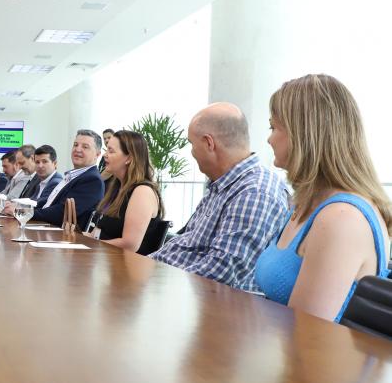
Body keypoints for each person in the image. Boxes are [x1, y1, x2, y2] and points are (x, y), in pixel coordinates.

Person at [254, 74, 391, 322]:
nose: (269, 138)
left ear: (303, 134)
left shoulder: (341, 219)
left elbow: (304, 338)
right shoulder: (306, 205)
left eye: (274, 127)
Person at [151, 103, 288, 292]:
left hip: (204, 305)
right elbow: (188, 245)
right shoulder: (224, 184)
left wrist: (152, 282)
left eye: (192, 144)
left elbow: (219, 274)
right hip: (174, 287)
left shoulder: (254, 192)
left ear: (209, 143)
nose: (192, 153)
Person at [91, 131, 167, 255]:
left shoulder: (142, 192)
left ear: (129, 158)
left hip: (127, 268)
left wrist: (89, 243)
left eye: (111, 151)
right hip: (107, 262)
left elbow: (130, 244)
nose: (105, 155)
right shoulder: (117, 188)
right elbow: (98, 234)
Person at [31, 130, 105, 229]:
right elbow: (49, 202)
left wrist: (28, 214)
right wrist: (21, 209)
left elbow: (62, 212)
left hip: (62, 237)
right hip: (47, 228)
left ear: (97, 154)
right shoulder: (72, 175)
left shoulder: (92, 180)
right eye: (75, 145)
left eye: (85, 147)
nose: (77, 149)